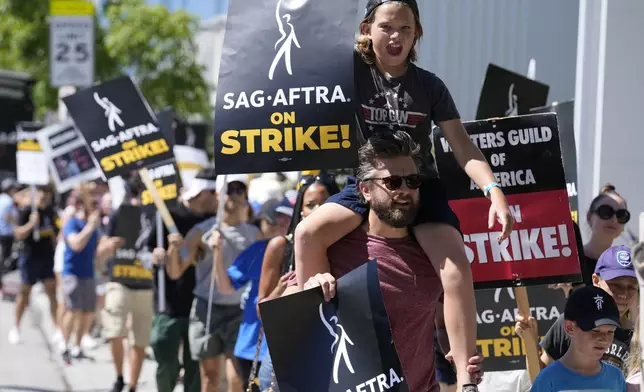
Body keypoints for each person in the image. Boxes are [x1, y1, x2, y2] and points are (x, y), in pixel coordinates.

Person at [294, 1, 512, 386]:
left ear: (418, 33)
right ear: (366, 28)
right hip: (368, 183)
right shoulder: (346, 73)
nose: (396, 37)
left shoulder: (429, 86)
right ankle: (314, 336)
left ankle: (463, 371)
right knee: (308, 232)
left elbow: (462, 146)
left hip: (418, 184)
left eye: (406, 29)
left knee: (455, 266)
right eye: (386, 27)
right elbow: (302, 75)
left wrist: (494, 190)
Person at [296, 132, 483, 392]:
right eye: (393, 182)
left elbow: (442, 319)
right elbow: (294, 322)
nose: (404, 190)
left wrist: (459, 359)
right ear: (365, 190)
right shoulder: (334, 246)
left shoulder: (434, 254)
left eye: (412, 181)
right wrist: (310, 288)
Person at [256, 174, 339, 391]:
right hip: (284, 358)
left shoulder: (348, 248)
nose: (318, 209)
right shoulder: (280, 247)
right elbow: (261, 310)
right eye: (311, 205)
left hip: (334, 358)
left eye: (325, 203)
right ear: (301, 211)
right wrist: (281, 290)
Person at [205, 198, 292, 392]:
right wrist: (217, 253)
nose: (282, 225)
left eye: (287, 219)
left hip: (285, 346)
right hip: (252, 343)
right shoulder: (257, 250)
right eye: (277, 220)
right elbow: (226, 288)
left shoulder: (308, 247)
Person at [183, 175, 260, 392]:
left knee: (236, 378)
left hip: (238, 311)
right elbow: (178, 265)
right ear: (218, 195)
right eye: (230, 189)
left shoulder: (254, 234)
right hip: (207, 308)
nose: (234, 195)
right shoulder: (201, 231)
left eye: (240, 191)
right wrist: (172, 250)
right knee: (210, 377)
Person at [516, 245, 638, 373]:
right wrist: (531, 343)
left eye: (632, 287)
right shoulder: (572, 322)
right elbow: (539, 380)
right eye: (615, 285)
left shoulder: (638, 335)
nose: (624, 294)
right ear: (596, 280)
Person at [149, 168, 218, 392]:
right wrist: (156, 255)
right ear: (205, 193)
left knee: (195, 366)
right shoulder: (168, 216)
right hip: (168, 303)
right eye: (216, 194)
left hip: (200, 305)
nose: (220, 199)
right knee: (166, 360)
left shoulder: (215, 221)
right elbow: (144, 250)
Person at [102, 178, 154, 392]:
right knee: (114, 332)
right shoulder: (118, 214)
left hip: (146, 286)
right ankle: (119, 377)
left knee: (140, 339)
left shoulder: (156, 215)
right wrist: (109, 245)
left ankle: (132, 385)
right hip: (119, 282)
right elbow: (102, 248)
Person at [59, 193, 122, 362]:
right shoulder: (72, 223)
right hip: (72, 273)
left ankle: (77, 347)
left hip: (89, 273)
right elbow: (76, 245)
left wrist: (110, 246)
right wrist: (89, 227)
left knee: (87, 312)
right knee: (73, 310)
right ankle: (64, 344)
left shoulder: (96, 227)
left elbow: (98, 251)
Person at [529, 286, 626, 392]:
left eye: (610, 331)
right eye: (595, 331)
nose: (604, 339)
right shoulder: (548, 379)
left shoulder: (616, 377)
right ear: (569, 328)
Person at [550, 184, 630, 297]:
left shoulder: (627, 267)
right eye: (606, 212)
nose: (614, 220)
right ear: (589, 217)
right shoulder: (569, 263)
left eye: (621, 215)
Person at [8, 186, 58, 345]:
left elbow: (56, 233)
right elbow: (18, 233)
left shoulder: (51, 211)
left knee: (52, 292)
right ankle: (16, 327)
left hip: (47, 257)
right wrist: (31, 223)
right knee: (24, 292)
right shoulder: (28, 210)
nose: (44, 195)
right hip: (29, 256)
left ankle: (58, 329)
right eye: (41, 192)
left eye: (46, 193)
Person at [0, 178, 19, 297]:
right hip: (6, 233)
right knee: (6, 260)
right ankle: (4, 285)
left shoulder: (2, 198)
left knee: (4, 258)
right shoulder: (8, 201)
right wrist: (16, 224)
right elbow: (7, 216)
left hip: (3, 232)